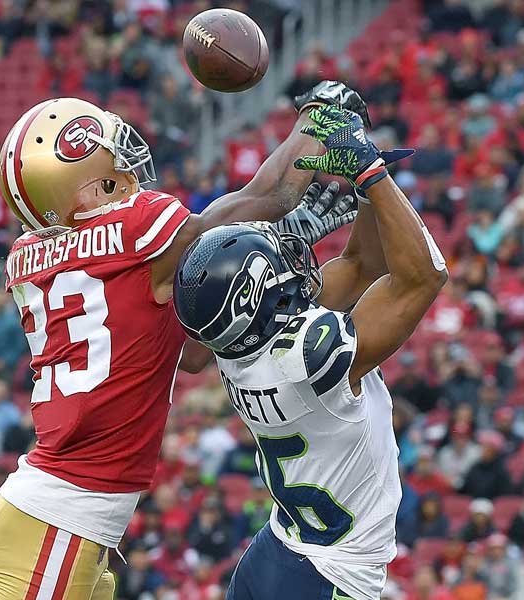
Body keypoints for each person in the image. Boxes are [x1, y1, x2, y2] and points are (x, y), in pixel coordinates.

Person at [0, 84, 372, 600]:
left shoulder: (32, 256)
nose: (125, 166)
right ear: (83, 187)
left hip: (60, 514)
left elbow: (188, 353)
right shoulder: (136, 231)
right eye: (110, 161)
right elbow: (271, 195)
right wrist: (318, 121)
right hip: (62, 515)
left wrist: (280, 248)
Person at [171, 104, 448, 600]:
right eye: (276, 258)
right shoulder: (309, 356)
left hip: (275, 550)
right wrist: (370, 172)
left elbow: (360, 266)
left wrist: (367, 191)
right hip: (330, 576)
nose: (291, 255)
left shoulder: (233, 344)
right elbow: (423, 276)